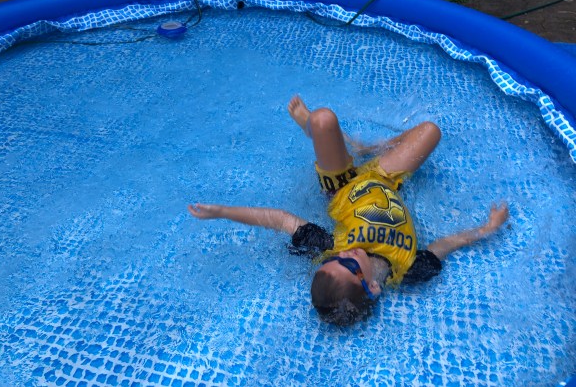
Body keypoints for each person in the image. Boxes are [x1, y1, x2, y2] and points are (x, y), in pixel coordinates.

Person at [188, 96, 509, 326]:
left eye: (334, 260)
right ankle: (365, 149)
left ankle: (337, 138)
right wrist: (486, 229)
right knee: (431, 130)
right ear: (373, 287)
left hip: (340, 186)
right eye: (349, 265)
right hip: (386, 180)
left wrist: (223, 211)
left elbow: (280, 219)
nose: (345, 254)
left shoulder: (330, 247)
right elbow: (443, 246)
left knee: (322, 119)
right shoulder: (409, 269)